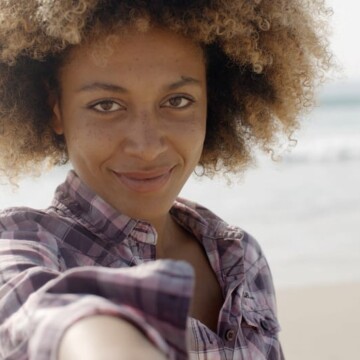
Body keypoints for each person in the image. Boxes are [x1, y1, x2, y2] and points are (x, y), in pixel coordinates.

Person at [0, 1, 332, 359]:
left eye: (177, 100)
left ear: (213, 99)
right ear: (56, 109)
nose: (146, 147)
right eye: (106, 105)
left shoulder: (240, 259)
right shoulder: (26, 243)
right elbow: (37, 310)